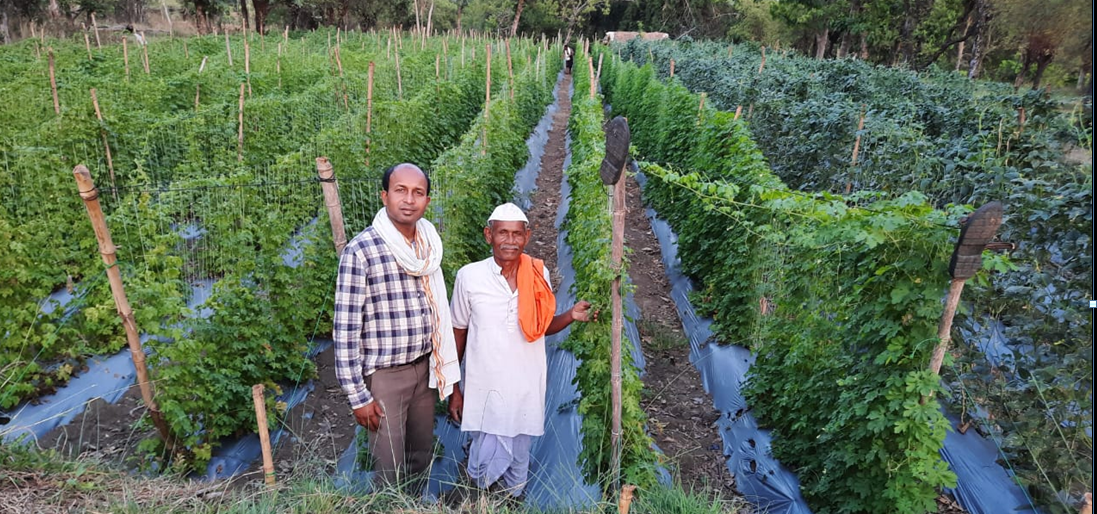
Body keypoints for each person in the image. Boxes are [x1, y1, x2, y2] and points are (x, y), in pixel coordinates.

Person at [447, 202, 595, 499]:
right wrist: (454, 388)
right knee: (485, 447)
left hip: (525, 383)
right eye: (503, 233)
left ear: (527, 237)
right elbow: (458, 332)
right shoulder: (469, 277)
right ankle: (477, 497)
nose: (510, 241)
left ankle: (512, 498)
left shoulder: (538, 273)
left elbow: (540, 326)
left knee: (519, 447)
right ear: (489, 235)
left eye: (517, 234)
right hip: (484, 384)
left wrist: (570, 315)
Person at [334, 163, 460, 492]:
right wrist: (358, 397)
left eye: (418, 192)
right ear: (384, 196)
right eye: (400, 190)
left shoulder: (428, 245)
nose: (409, 199)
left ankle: (413, 506)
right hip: (385, 377)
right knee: (388, 465)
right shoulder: (361, 251)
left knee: (420, 455)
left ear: (427, 201)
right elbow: (345, 332)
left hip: (424, 370)